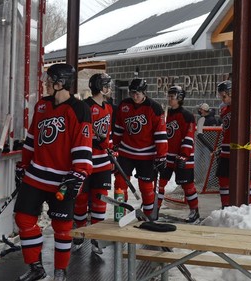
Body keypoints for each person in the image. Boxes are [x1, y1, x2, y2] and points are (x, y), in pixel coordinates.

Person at [14, 63, 93, 281]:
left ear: (60, 83)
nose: (45, 84)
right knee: (23, 218)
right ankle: (36, 267)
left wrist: (79, 173)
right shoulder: (42, 105)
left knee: (62, 226)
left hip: (63, 178)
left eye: (49, 81)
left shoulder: (79, 109)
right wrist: (23, 165)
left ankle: (60, 270)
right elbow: (31, 139)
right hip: (36, 175)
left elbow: (83, 145)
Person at [113, 78, 168, 218]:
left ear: (144, 92)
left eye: (138, 93)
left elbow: (160, 135)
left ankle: (149, 215)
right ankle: (120, 214)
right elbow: (119, 128)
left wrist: (161, 156)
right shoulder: (124, 105)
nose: (135, 96)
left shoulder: (154, 108)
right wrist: (114, 146)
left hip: (147, 154)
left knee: (146, 187)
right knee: (120, 183)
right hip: (125, 152)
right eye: (132, 93)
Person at [73, 73, 113, 254]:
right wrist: (92, 141)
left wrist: (109, 146)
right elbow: (80, 133)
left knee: (99, 200)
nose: (109, 87)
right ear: (99, 86)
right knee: (81, 200)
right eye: (106, 84)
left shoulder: (108, 107)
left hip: (103, 162)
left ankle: (96, 236)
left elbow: (107, 134)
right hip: (87, 161)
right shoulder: (85, 107)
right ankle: (80, 232)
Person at [158, 86, 200, 223]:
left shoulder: (187, 116)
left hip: (183, 157)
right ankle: (154, 209)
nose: (170, 99)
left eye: (173, 96)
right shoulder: (166, 114)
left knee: (187, 186)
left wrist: (184, 155)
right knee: (160, 183)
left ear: (180, 98)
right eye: (169, 96)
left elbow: (189, 136)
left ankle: (194, 210)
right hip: (167, 155)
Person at [215, 80, 251, 208]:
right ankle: (226, 206)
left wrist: (247, 149)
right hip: (226, 153)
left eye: (224, 95)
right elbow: (225, 132)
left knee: (246, 182)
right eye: (221, 95)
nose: (222, 98)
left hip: (242, 153)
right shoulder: (225, 111)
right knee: (223, 180)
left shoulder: (243, 109)